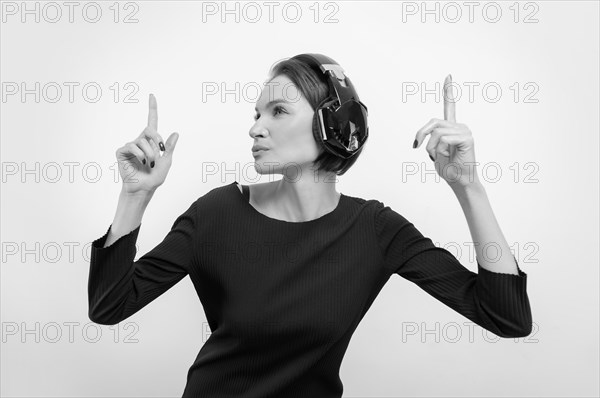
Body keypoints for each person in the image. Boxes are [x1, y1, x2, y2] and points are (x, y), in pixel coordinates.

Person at [87, 54, 533, 398]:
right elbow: (110, 308)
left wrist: (468, 188)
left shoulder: (374, 229)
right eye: (256, 114)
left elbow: (507, 317)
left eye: (277, 111)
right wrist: (135, 196)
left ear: (333, 124)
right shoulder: (215, 214)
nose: (255, 128)